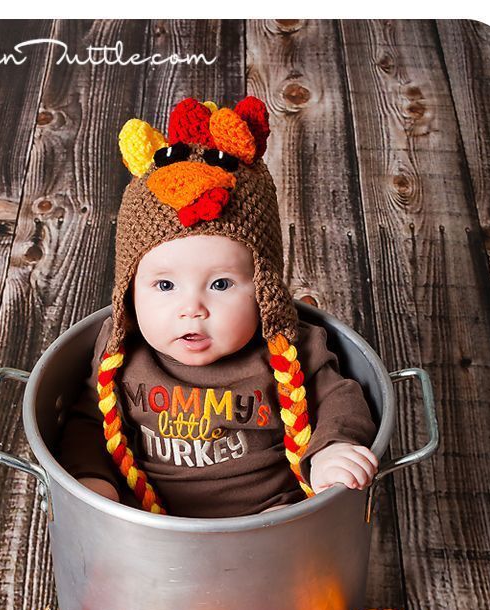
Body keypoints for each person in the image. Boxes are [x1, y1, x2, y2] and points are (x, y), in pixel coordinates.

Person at [59, 96, 377, 519]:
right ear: (130, 290)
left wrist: (333, 449)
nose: (192, 308)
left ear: (264, 288)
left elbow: (340, 396)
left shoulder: (289, 345)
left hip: (272, 512)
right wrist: (92, 479)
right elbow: (88, 422)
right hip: (145, 522)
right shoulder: (121, 351)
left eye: (221, 284)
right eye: (165, 284)